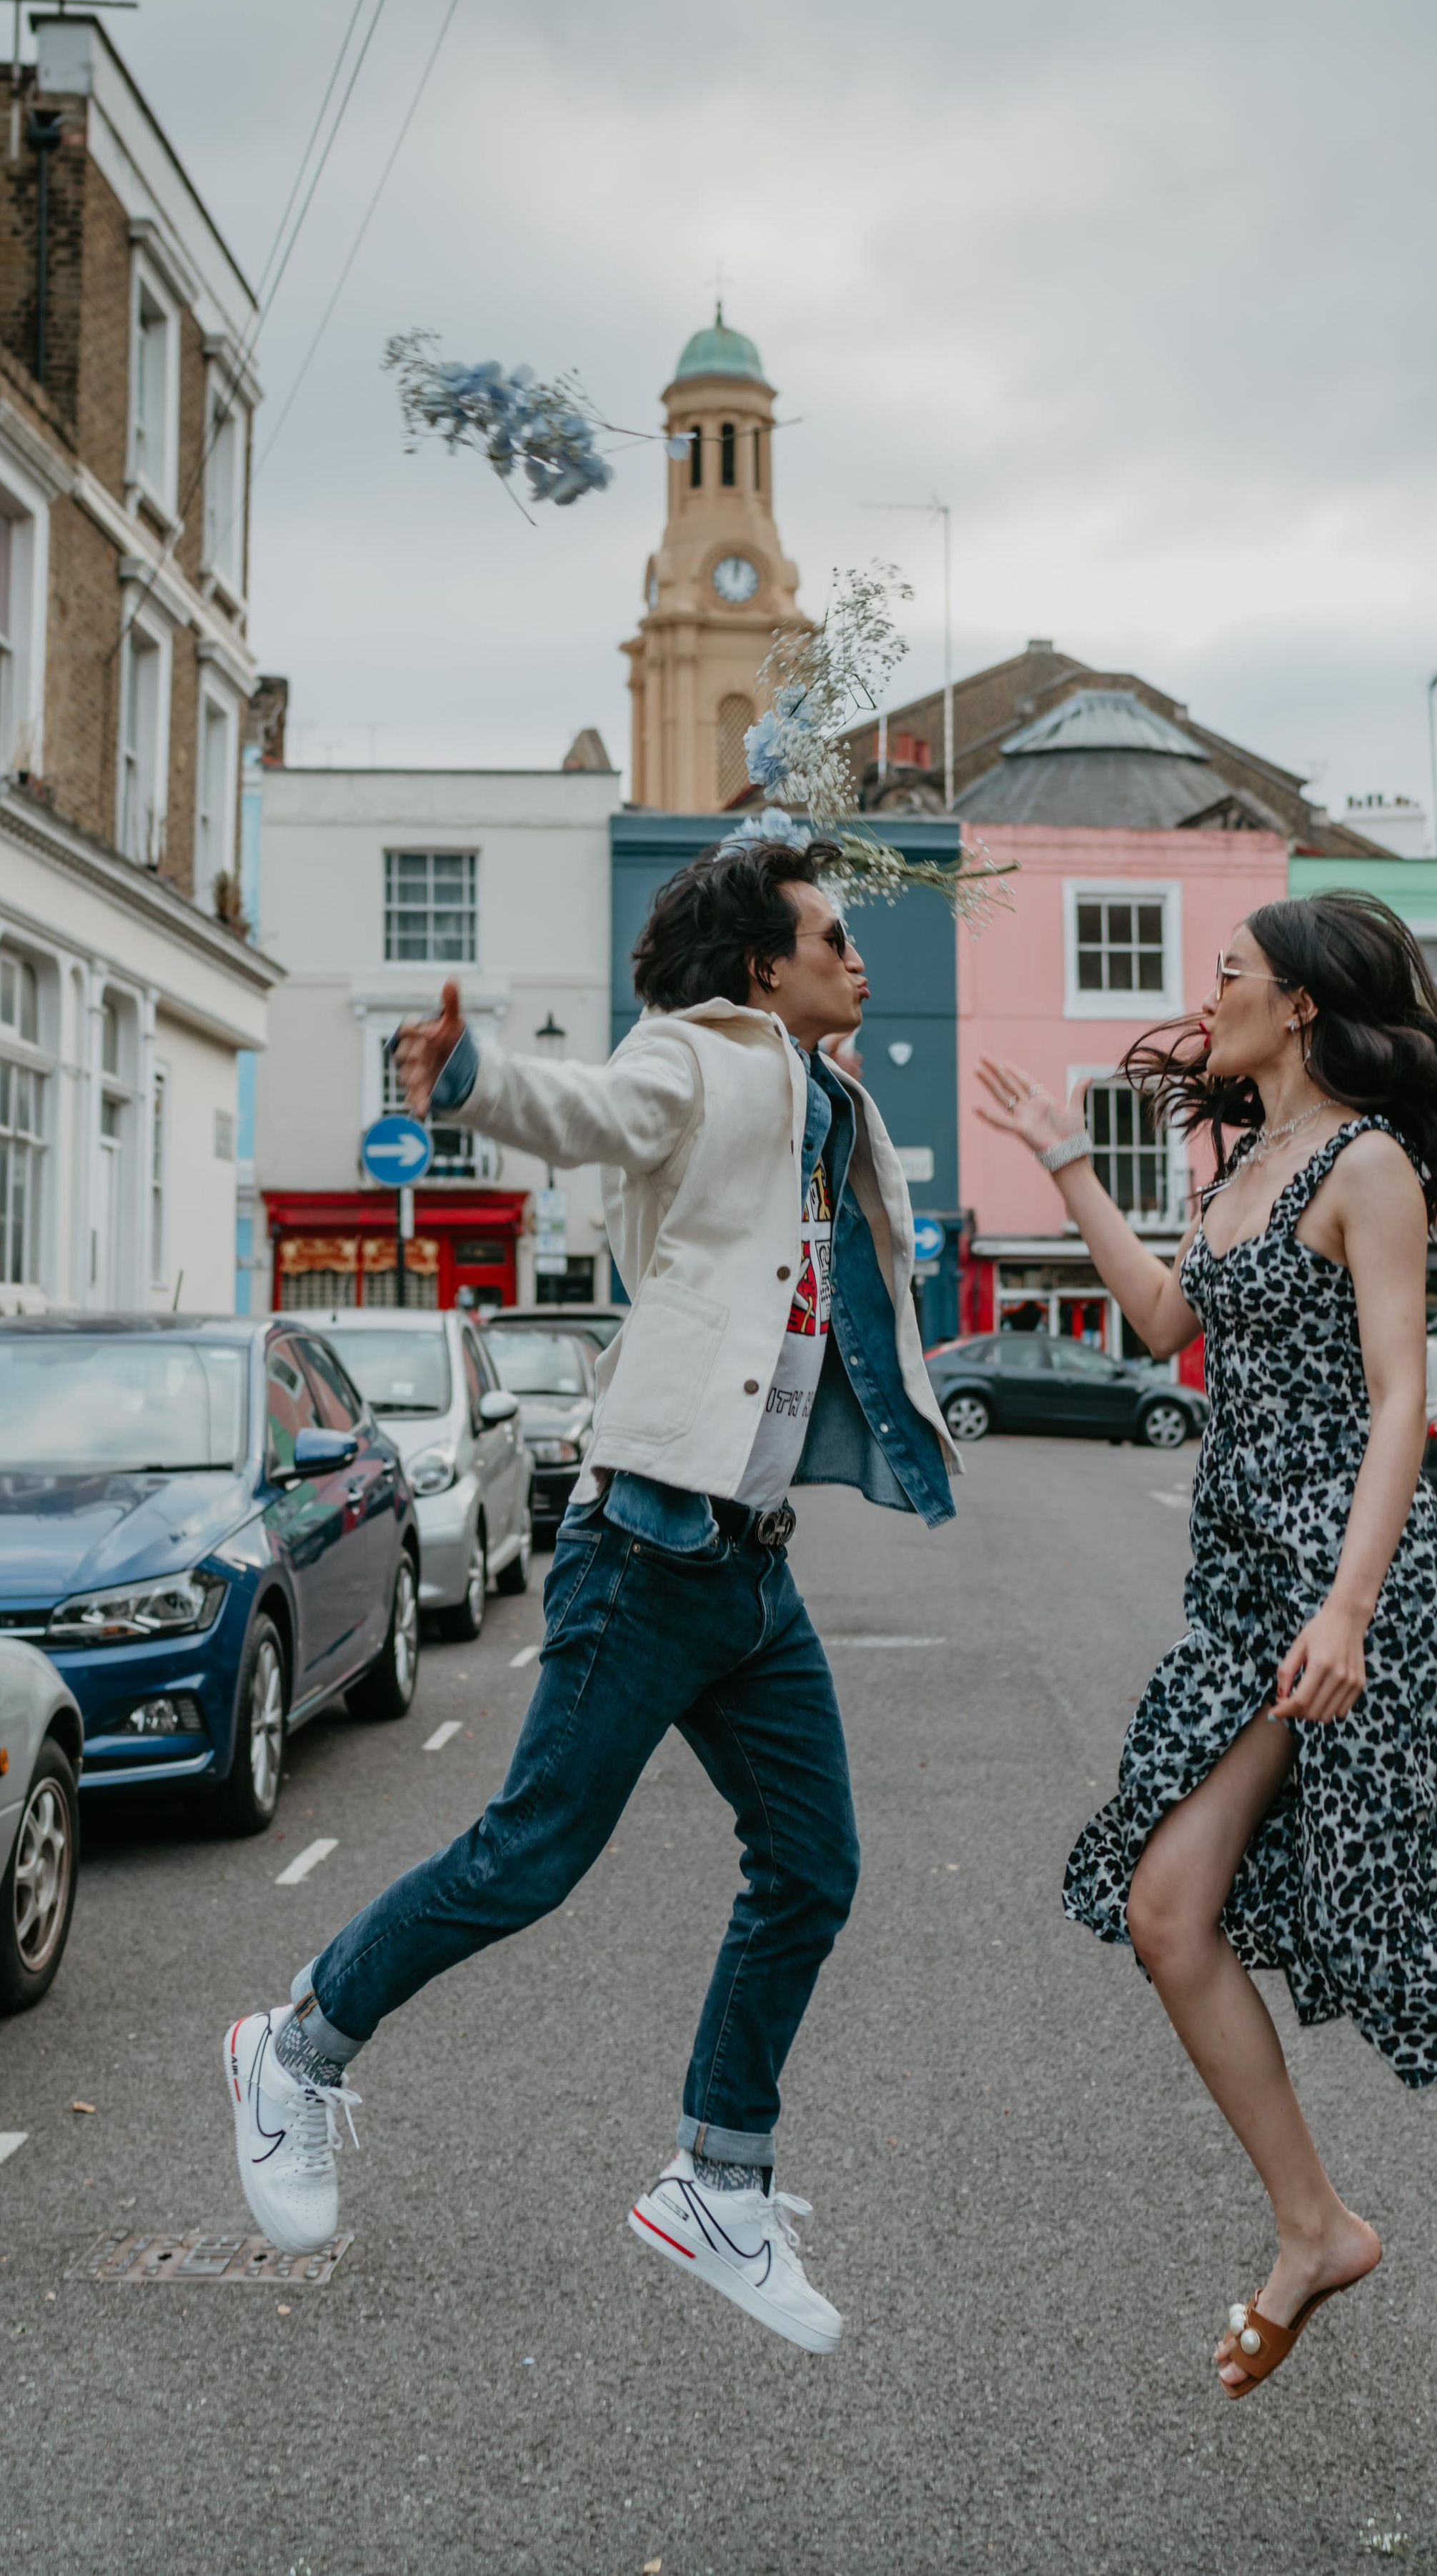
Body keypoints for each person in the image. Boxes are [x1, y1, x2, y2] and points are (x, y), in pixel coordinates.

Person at [977, 892, 1437, 2395]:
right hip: (1244, 1591)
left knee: (1377, 1927)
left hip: (1357, 1594)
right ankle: (1311, 2222)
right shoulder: (1244, 1162)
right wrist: (1064, 1158)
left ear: (1301, 1003)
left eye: (1232, 975)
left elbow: (1400, 1399)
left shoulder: (1364, 1160)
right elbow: (1146, 1322)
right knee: (1166, 1910)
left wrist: (1342, 1603)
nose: (1211, 997)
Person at [224, 835, 957, 2355]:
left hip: (747, 1565)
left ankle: (718, 2178)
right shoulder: (698, 1056)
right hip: (646, 1542)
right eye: (828, 934)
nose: (854, 955)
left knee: (812, 1864)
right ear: (762, 966)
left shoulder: (830, 1097)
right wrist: (471, 1076)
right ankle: (294, 2047)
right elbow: (597, 1111)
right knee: (531, 1852)